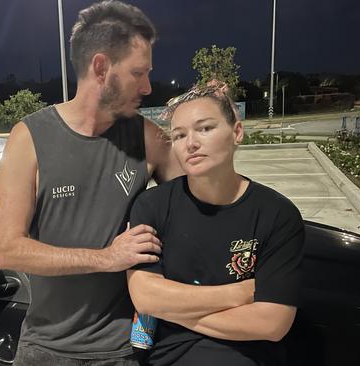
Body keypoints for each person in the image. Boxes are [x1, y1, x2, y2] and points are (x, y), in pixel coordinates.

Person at [0, 1, 186, 365]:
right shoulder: (29, 138)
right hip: (46, 347)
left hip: (125, 349)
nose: (147, 86)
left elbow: (199, 206)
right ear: (101, 67)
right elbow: (6, 249)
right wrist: (108, 257)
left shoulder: (147, 138)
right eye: (138, 73)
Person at [127, 80, 305, 366]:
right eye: (179, 135)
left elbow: (272, 323)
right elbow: (146, 298)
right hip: (168, 358)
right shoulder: (152, 206)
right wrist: (240, 293)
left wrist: (172, 307)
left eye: (205, 128)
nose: (191, 143)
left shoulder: (277, 214)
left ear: (237, 132)